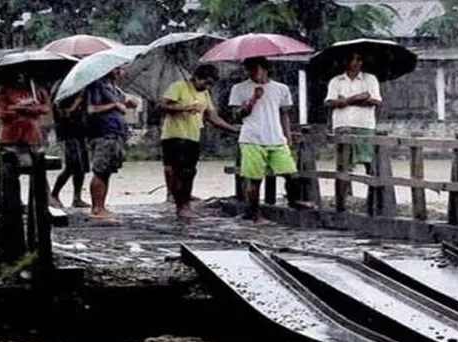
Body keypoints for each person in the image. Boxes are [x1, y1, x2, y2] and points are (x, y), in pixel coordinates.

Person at [228, 56, 314, 223]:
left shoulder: (281, 88)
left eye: (257, 68)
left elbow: (284, 114)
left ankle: (294, 200)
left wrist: (287, 135)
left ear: (265, 69)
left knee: (291, 174)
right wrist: (253, 100)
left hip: (275, 137)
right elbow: (236, 115)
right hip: (252, 137)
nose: (254, 72)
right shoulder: (239, 88)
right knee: (255, 178)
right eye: (250, 69)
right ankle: (255, 213)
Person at [160, 64, 238, 221]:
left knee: (190, 171)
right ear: (196, 77)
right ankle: (180, 203)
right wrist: (185, 107)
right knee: (178, 170)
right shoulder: (179, 86)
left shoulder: (205, 94)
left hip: (193, 136)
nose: (207, 86)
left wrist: (233, 129)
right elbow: (162, 105)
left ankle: (184, 201)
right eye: (206, 82)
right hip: (174, 136)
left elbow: (211, 116)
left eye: (211, 84)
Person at [85, 67, 137, 219]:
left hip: (115, 133)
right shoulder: (97, 86)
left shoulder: (115, 89)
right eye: (117, 69)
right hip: (103, 133)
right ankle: (96, 207)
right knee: (100, 170)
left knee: (107, 171)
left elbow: (121, 105)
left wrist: (126, 104)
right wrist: (114, 105)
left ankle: (101, 205)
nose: (120, 72)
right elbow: (91, 109)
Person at [325, 51, 382, 175]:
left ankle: (373, 187)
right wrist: (356, 98)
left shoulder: (370, 79)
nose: (355, 63)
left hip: (364, 125)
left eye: (359, 59)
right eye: (352, 59)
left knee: (370, 162)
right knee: (343, 165)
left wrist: (344, 101)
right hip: (343, 124)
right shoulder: (336, 81)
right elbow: (329, 102)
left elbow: (376, 101)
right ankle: (343, 188)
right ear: (345, 61)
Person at [0, 73, 50, 169]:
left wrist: (32, 108)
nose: (20, 78)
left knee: (36, 166)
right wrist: (19, 107)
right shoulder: (4, 91)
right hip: (11, 136)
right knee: (10, 168)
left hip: (32, 135)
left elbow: (45, 108)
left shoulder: (36, 91)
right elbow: (1, 112)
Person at [49, 81, 90, 209]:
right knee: (72, 165)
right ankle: (54, 194)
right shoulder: (62, 89)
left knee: (82, 166)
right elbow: (63, 113)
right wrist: (76, 103)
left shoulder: (81, 88)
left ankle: (77, 197)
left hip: (80, 130)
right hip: (68, 132)